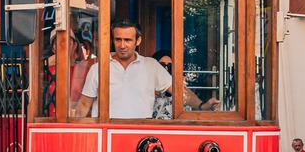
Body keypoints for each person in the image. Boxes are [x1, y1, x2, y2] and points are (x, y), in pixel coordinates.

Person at [73, 19, 216, 119]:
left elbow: (179, 91)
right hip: (108, 131)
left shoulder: (151, 65)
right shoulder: (98, 68)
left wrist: (201, 105)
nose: (122, 45)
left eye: (128, 40)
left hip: (141, 132)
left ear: (138, 40)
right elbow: (85, 104)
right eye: (118, 39)